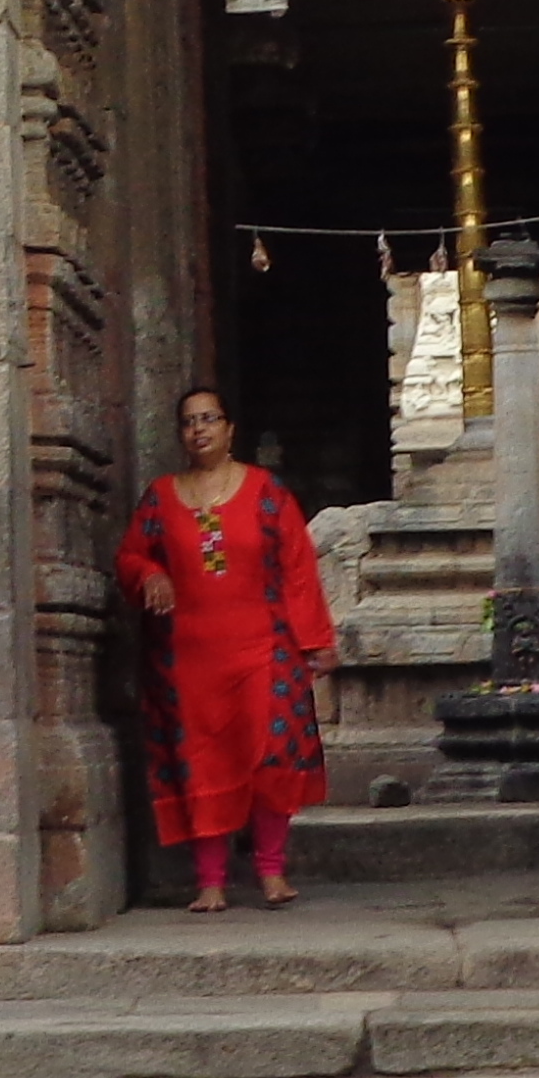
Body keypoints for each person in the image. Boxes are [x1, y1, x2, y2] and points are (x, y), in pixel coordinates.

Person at [114, 384, 335, 911]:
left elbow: (298, 569)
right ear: (180, 433)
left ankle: (271, 872)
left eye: (210, 418)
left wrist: (316, 641)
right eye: (189, 421)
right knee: (201, 762)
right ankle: (210, 881)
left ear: (230, 429)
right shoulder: (161, 498)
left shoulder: (266, 493)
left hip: (264, 649)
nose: (199, 429)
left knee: (270, 756)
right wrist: (149, 575)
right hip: (187, 659)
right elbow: (128, 556)